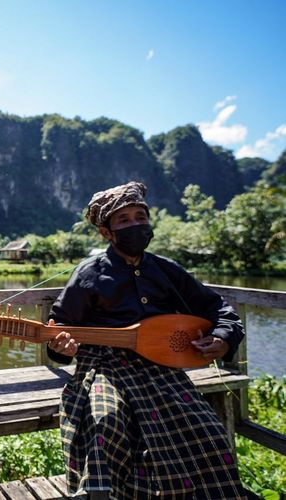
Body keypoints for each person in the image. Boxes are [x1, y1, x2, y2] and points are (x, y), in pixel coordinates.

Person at [46, 181, 247, 499]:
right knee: (104, 422)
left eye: (140, 216)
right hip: (103, 367)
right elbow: (59, 330)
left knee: (206, 429)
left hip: (161, 367)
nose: (135, 225)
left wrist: (223, 337)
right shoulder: (88, 274)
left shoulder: (166, 270)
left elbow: (218, 308)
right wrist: (61, 347)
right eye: (123, 221)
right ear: (106, 232)